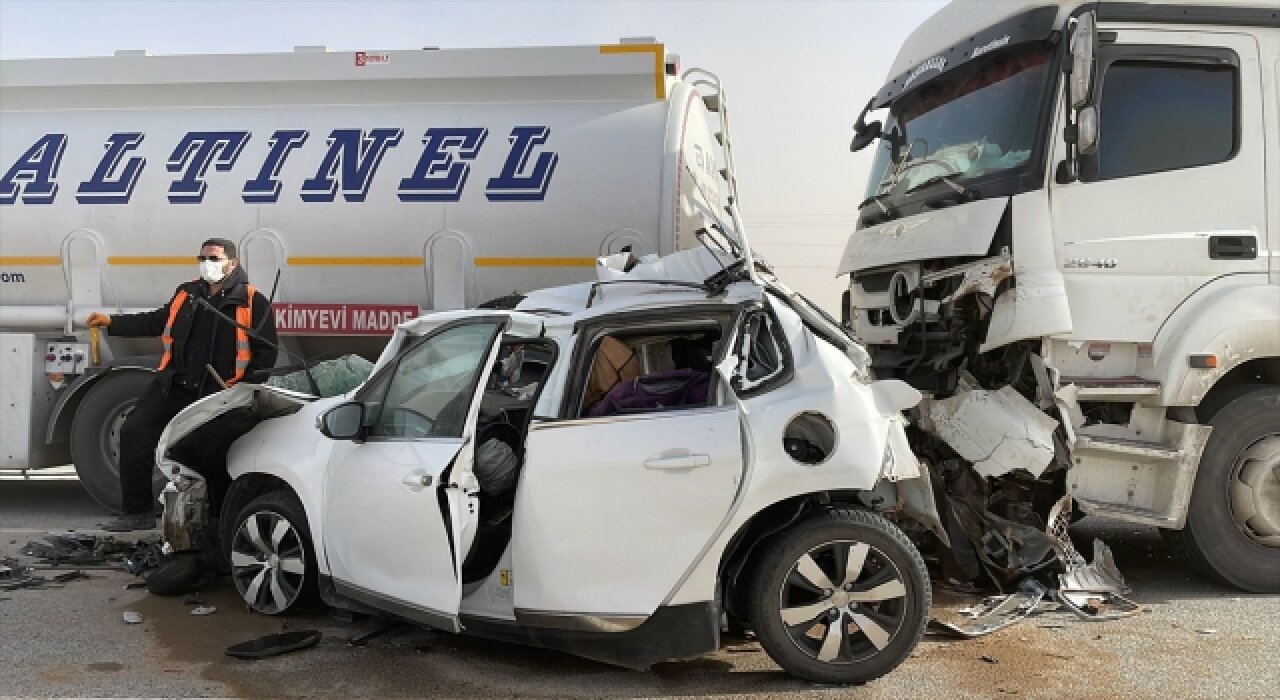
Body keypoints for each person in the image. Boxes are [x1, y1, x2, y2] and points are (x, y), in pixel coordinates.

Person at [88, 238, 277, 532]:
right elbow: (157, 321)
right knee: (134, 432)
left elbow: (266, 354)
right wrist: (112, 323)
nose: (207, 264)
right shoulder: (187, 293)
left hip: (217, 392)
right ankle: (135, 512)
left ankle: (217, 524)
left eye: (214, 258)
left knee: (209, 456)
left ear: (232, 263)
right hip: (175, 384)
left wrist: (243, 389)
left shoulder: (252, 300)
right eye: (202, 258)